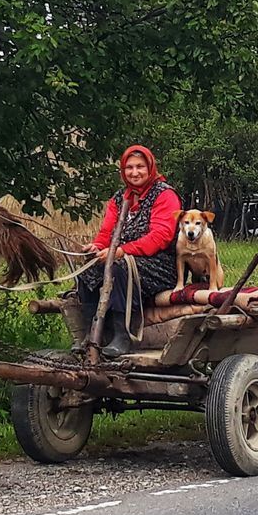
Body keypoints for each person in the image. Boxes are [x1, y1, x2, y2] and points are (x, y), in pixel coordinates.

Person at [75, 144, 180, 357]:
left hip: (158, 264)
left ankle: (122, 334)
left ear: (150, 168)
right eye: (129, 167)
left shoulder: (164, 195)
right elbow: (107, 232)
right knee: (88, 269)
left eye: (140, 167)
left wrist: (123, 251)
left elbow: (160, 237)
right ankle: (92, 332)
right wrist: (97, 246)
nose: (134, 172)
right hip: (121, 256)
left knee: (119, 268)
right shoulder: (119, 198)